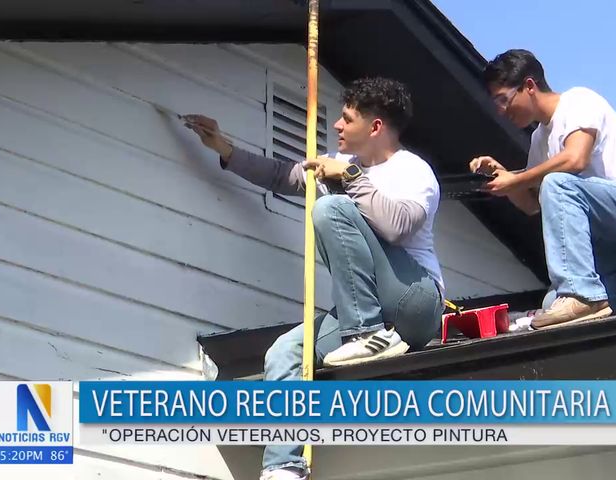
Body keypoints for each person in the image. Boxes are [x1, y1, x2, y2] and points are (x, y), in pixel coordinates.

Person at [185, 77, 444, 480]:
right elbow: (280, 176)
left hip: (414, 301)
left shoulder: (413, 169)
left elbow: (399, 227)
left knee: (329, 210)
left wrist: (353, 177)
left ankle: (362, 334)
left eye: (347, 118)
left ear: (375, 127)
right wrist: (223, 147)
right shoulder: (333, 166)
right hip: (368, 314)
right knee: (285, 353)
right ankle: (284, 467)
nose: (337, 126)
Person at [470, 49, 616, 330]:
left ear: (529, 86)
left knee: (557, 183)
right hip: (614, 241)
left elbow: (575, 159)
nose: (501, 111)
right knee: (552, 306)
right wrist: (505, 179)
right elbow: (532, 204)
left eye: (504, 100)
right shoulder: (539, 139)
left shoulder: (578, 101)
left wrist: (517, 179)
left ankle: (583, 293)